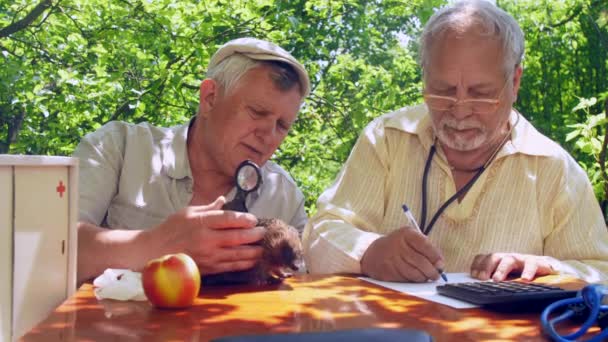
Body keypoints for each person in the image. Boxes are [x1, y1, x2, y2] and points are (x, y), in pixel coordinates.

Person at [302, 0, 608, 283]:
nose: (460, 111)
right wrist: (369, 252)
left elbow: (601, 272)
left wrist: (547, 270)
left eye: (480, 93)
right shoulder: (386, 140)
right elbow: (319, 234)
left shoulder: (554, 170)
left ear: (514, 83)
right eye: (443, 90)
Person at [74, 38, 310, 283]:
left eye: (282, 126)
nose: (269, 136)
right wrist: (155, 245)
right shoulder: (119, 147)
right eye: (257, 112)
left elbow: (309, 286)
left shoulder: (284, 196)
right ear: (209, 97)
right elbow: (52, 247)